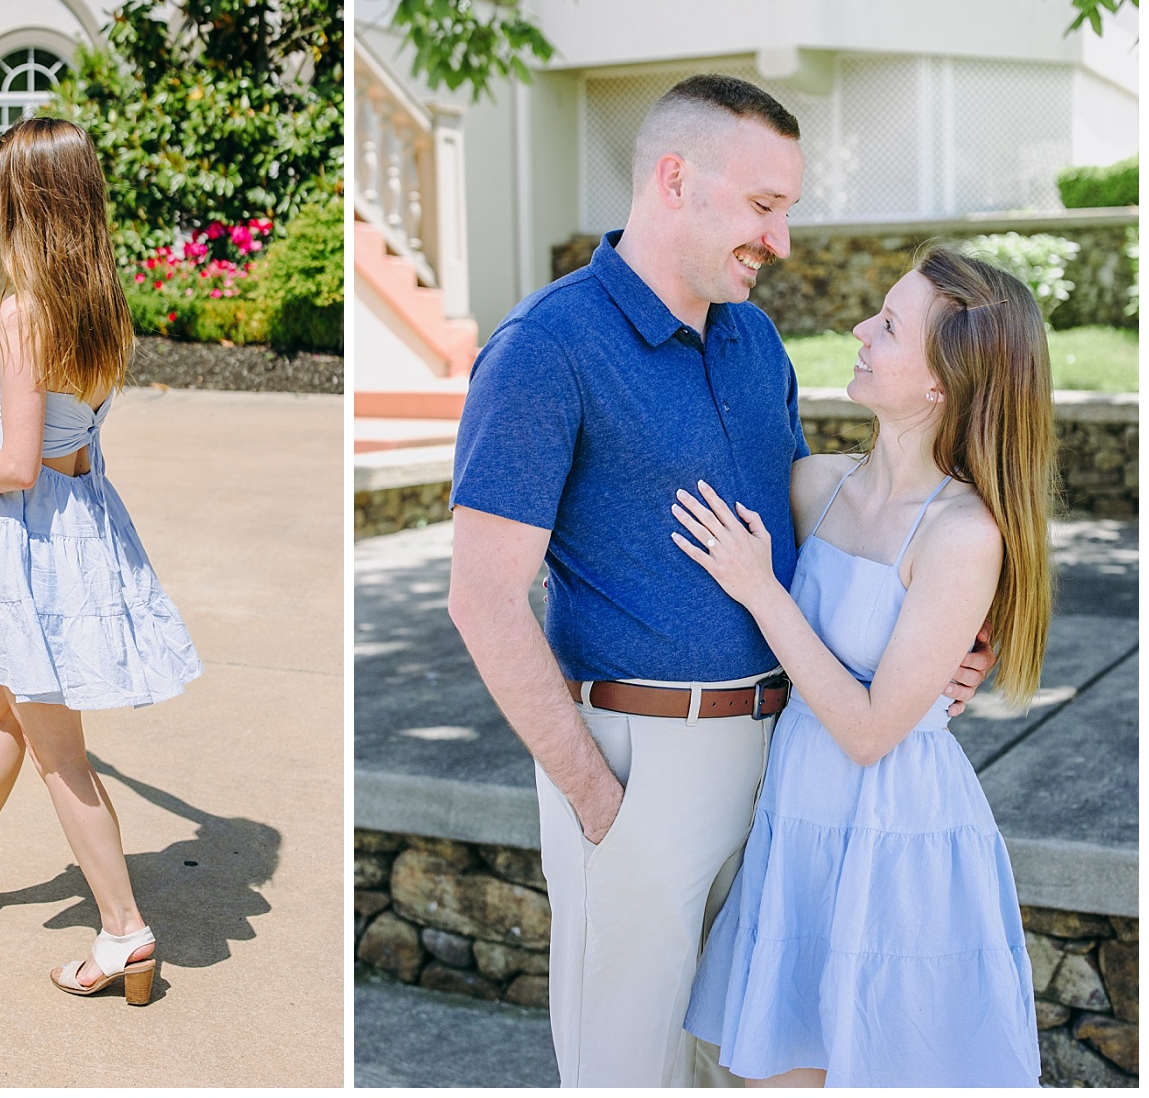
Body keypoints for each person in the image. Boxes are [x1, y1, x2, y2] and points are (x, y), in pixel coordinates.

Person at [446, 75, 993, 1087]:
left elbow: (809, 532)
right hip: (637, 759)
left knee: (744, 1067)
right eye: (763, 206)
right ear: (672, 179)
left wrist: (936, 643)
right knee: (627, 1066)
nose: (779, 241)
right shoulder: (544, 349)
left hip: (791, 759)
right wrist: (593, 793)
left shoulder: (754, 341)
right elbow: (481, 598)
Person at [678, 248, 1048, 1086]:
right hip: (799, 812)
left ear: (941, 384)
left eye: (887, 325)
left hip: (894, 830)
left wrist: (759, 587)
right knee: (776, 1067)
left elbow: (876, 729)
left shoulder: (962, 533)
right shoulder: (815, 486)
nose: (858, 331)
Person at [0, 117, 201, 1004]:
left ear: (25, 201)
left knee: (59, 753)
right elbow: (18, 341)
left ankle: (125, 931)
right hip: (76, 527)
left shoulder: (28, 315)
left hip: (28, 541)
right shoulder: (94, 299)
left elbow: (12, 460)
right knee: (1, 710)